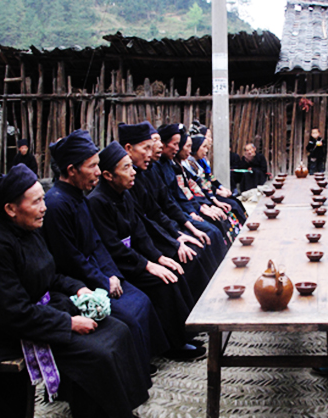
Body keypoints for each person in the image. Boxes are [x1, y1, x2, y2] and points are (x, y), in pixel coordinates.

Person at [0, 164, 150, 418]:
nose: (44, 208)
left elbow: (50, 275)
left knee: (118, 329)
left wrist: (79, 288)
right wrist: (68, 323)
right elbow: (13, 313)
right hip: (16, 329)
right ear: (11, 209)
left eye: (43, 199)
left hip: (46, 309)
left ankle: (118, 414)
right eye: (36, 201)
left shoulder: (29, 230)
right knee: (96, 352)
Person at [42, 130, 170, 376]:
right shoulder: (57, 204)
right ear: (71, 170)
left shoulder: (78, 196)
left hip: (99, 273)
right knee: (127, 317)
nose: (99, 173)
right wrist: (102, 280)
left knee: (141, 299)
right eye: (92, 167)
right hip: (77, 282)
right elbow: (71, 258)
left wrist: (112, 274)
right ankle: (133, 369)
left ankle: (143, 359)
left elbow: (97, 242)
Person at [87, 141, 206, 360]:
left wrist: (159, 258)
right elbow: (112, 246)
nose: (133, 173)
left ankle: (183, 334)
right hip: (119, 265)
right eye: (126, 168)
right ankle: (172, 345)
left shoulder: (124, 192)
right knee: (161, 281)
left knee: (173, 269)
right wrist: (148, 265)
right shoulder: (97, 202)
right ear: (107, 175)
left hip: (135, 256)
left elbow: (139, 231)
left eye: (131, 166)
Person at [120, 121, 217, 299]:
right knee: (188, 259)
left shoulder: (149, 170)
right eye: (148, 147)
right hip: (147, 245)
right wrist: (172, 244)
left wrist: (184, 231)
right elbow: (143, 224)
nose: (152, 152)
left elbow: (163, 206)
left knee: (206, 237)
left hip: (163, 231)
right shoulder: (125, 183)